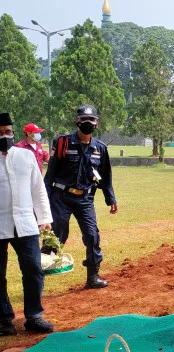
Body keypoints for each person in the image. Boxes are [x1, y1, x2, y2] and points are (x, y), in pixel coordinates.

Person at [44, 104, 117, 289]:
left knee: (92, 236)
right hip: (61, 196)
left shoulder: (100, 148)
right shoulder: (63, 142)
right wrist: (43, 202)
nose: (87, 123)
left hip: (85, 199)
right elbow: (50, 174)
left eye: (91, 120)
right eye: (84, 120)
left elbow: (106, 176)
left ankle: (93, 277)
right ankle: (41, 274)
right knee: (57, 234)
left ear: (97, 123)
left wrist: (111, 199)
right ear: (77, 122)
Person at [0, 113, 54, 335]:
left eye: (8, 132)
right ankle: (3, 319)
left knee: (33, 268)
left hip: (25, 222)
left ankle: (34, 316)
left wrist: (45, 219)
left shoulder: (26, 156)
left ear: (14, 133)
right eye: (0, 133)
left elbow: (38, 189)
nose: (5, 136)